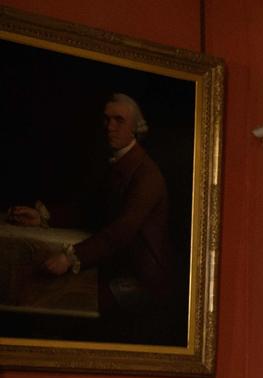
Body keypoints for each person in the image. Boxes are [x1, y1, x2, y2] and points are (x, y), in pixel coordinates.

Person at [7, 93, 176, 342]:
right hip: (114, 263)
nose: (110, 127)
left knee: (62, 310)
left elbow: (122, 230)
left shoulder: (146, 175)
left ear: (137, 128)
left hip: (139, 279)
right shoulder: (119, 163)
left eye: (119, 120)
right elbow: (90, 211)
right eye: (107, 119)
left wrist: (70, 257)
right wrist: (44, 218)